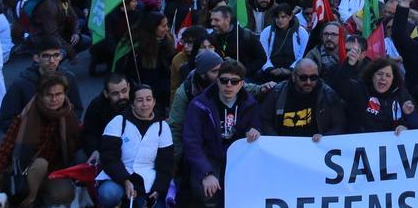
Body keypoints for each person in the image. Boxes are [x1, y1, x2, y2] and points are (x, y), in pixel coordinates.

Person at [0, 74, 82, 207]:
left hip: (54, 171)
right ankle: (29, 200)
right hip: (25, 170)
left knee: (64, 193)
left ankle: (41, 195)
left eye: (58, 94)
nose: (54, 99)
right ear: (39, 95)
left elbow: (78, 143)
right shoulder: (25, 118)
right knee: (40, 163)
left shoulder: (68, 115)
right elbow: (4, 151)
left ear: (65, 94)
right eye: (49, 95)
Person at [181, 59, 262, 208]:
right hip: (209, 155)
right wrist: (206, 173)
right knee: (206, 191)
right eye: (224, 80)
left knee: (247, 190)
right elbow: (191, 142)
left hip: (238, 156)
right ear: (217, 81)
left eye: (234, 81)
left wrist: (256, 130)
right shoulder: (199, 104)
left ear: (242, 84)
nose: (229, 85)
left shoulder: (250, 104)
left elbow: (257, 125)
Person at [96, 83, 174, 208]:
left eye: (149, 99)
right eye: (139, 100)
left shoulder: (162, 127)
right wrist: (125, 180)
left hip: (148, 178)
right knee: (108, 194)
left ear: (154, 102)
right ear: (132, 103)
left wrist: (158, 188)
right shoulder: (118, 122)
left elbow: (166, 163)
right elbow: (109, 158)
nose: (145, 104)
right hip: (119, 176)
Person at [0, 37, 84, 132]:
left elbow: (76, 109)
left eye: (56, 55)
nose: (52, 60)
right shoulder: (20, 84)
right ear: (36, 58)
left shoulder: (69, 78)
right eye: (46, 56)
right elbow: (6, 120)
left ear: (61, 56)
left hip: (61, 134)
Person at [259, 58, 346, 140]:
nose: (308, 82)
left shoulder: (328, 94)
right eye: (303, 78)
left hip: (315, 148)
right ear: (293, 76)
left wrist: (324, 138)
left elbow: (339, 124)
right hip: (282, 147)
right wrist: (275, 139)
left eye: (313, 78)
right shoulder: (278, 92)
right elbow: (264, 119)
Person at [81, 73, 132, 163]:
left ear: (129, 87)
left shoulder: (138, 99)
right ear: (106, 93)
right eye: (115, 94)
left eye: (124, 91)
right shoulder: (96, 106)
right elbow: (90, 133)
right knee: (80, 158)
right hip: (106, 148)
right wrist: (94, 150)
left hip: (135, 146)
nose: (121, 97)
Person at [355, 59, 414, 134]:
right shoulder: (360, 91)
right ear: (372, 75)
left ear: (393, 79)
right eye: (380, 74)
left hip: (393, 143)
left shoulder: (402, 94)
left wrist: (406, 125)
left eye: (388, 75)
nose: (383, 78)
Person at [209, 5, 268, 78]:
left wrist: (243, 71)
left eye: (216, 20)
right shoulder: (212, 37)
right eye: (211, 20)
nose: (212, 23)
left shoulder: (245, 35)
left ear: (227, 20)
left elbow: (262, 58)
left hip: (245, 80)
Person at [258, 3, 309, 81]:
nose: (280, 20)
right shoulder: (266, 32)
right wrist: (270, 69)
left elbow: (302, 55)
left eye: (283, 17)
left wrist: (290, 70)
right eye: (277, 17)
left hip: (294, 73)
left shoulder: (302, 32)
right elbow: (263, 54)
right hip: (270, 73)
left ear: (290, 17)